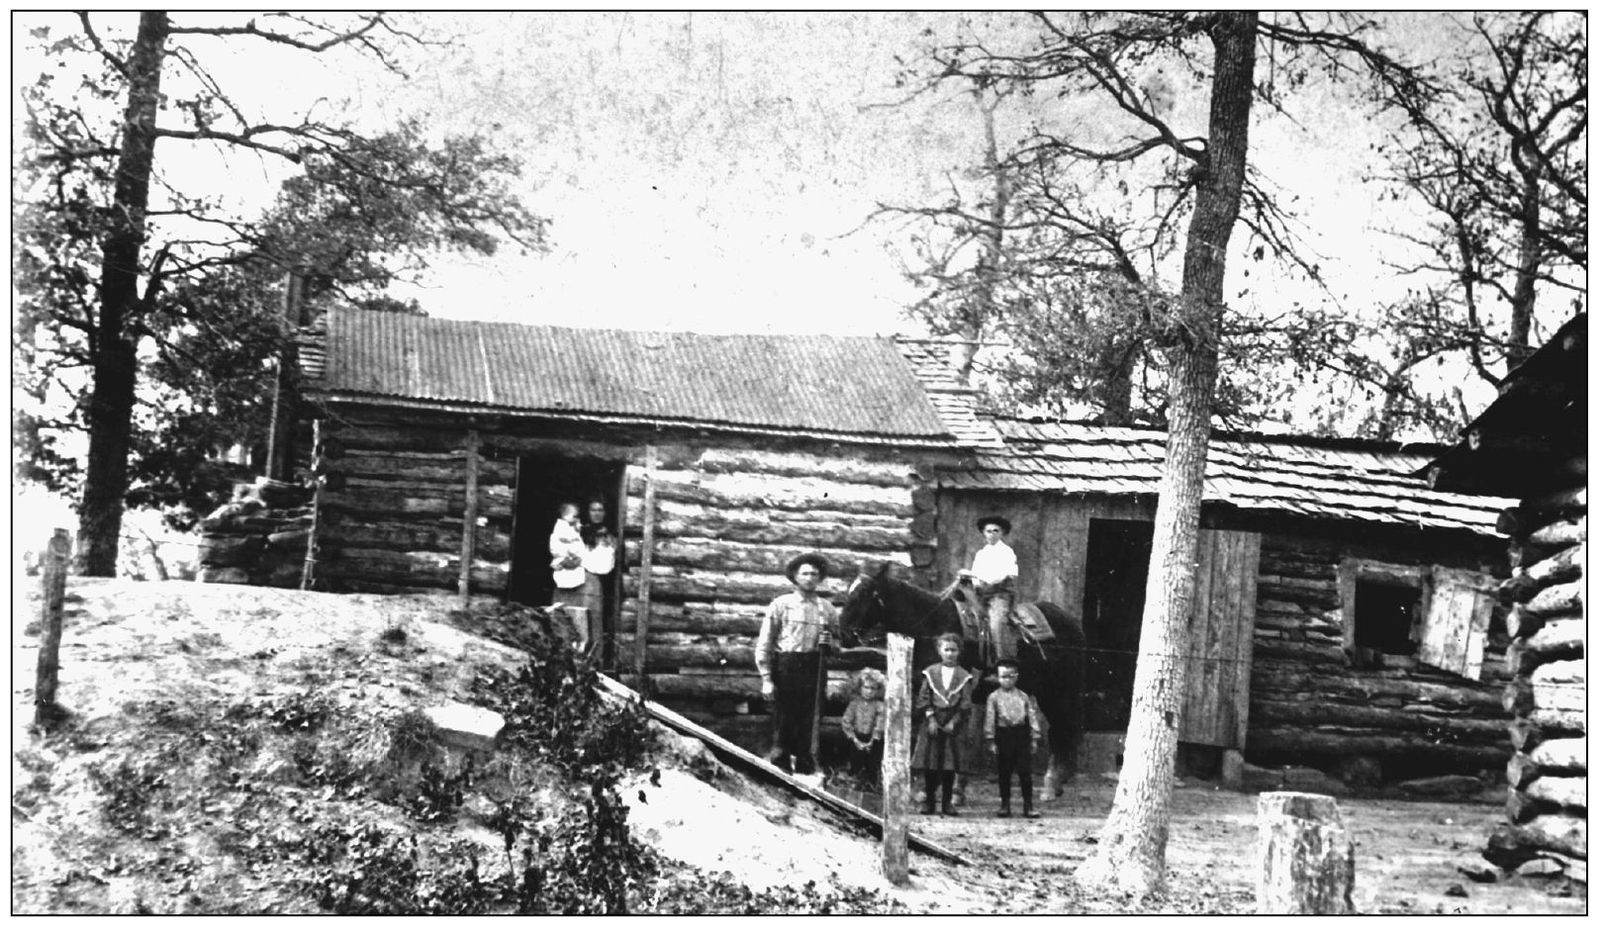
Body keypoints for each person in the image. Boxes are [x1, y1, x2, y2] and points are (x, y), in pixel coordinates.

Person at [755, 552, 839, 776]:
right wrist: (766, 679)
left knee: (811, 717)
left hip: (815, 666)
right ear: (795, 576)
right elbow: (765, 642)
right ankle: (779, 766)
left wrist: (830, 643)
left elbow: (838, 646)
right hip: (787, 666)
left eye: (814, 573)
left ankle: (805, 766)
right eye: (805, 573)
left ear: (820, 578)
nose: (810, 578)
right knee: (784, 717)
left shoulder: (827, 609)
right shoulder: (781, 604)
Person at [913, 632, 974, 816]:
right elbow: (924, 698)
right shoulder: (930, 672)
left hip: (953, 724)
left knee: (949, 765)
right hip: (933, 722)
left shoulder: (964, 676)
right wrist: (931, 718)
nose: (950, 653)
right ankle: (929, 802)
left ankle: (947, 803)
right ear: (939, 651)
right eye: (946, 649)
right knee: (930, 764)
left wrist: (954, 722)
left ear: (959, 652)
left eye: (953, 650)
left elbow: (965, 703)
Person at [983, 658, 1045, 818]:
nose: (1007, 680)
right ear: (998, 677)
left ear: (1016, 677)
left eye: (1010, 676)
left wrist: (1034, 738)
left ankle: (1028, 805)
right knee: (1004, 772)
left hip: (1021, 736)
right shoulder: (994, 697)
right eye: (1003, 677)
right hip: (1003, 736)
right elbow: (990, 718)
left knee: (1025, 772)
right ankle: (1005, 805)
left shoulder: (1023, 696)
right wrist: (990, 739)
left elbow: (1031, 716)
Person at [958, 515, 1019, 662]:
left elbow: (1000, 577)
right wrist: (969, 579)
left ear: (1002, 533)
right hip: (980, 595)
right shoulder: (981, 554)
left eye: (995, 531)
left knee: (996, 624)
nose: (991, 534)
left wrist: (979, 578)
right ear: (983, 533)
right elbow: (976, 577)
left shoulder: (1006, 552)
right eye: (988, 531)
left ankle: (1003, 661)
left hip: (999, 595)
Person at [577, 499, 617, 656]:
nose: (597, 513)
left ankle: (594, 659)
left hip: (595, 581)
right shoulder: (579, 531)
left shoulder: (609, 535)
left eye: (600, 510)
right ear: (587, 512)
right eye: (593, 510)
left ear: (605, 513)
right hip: (576, 579)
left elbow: (605, 565)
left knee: (593, 621)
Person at [840, 667, 887, 789]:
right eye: (866, 687)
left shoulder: (879, 706)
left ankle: (871, 787)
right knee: (855, 764)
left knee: (873, 765)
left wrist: (873, 740)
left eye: (873, 688)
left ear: (878, 690)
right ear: (860, 687)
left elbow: (880, 724)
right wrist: (854, 739)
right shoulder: (854, 704)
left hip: (873, 740)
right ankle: (854, 785)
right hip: (856, 738)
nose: (869, 691)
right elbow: (846, 721)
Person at [549, 502, 588, 644]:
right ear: (565, 516)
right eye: (575, 516)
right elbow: (565, 546)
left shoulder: (572, 528)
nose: (577, 519)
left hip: (572, 568)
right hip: (565, 566)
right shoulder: (562, 529)